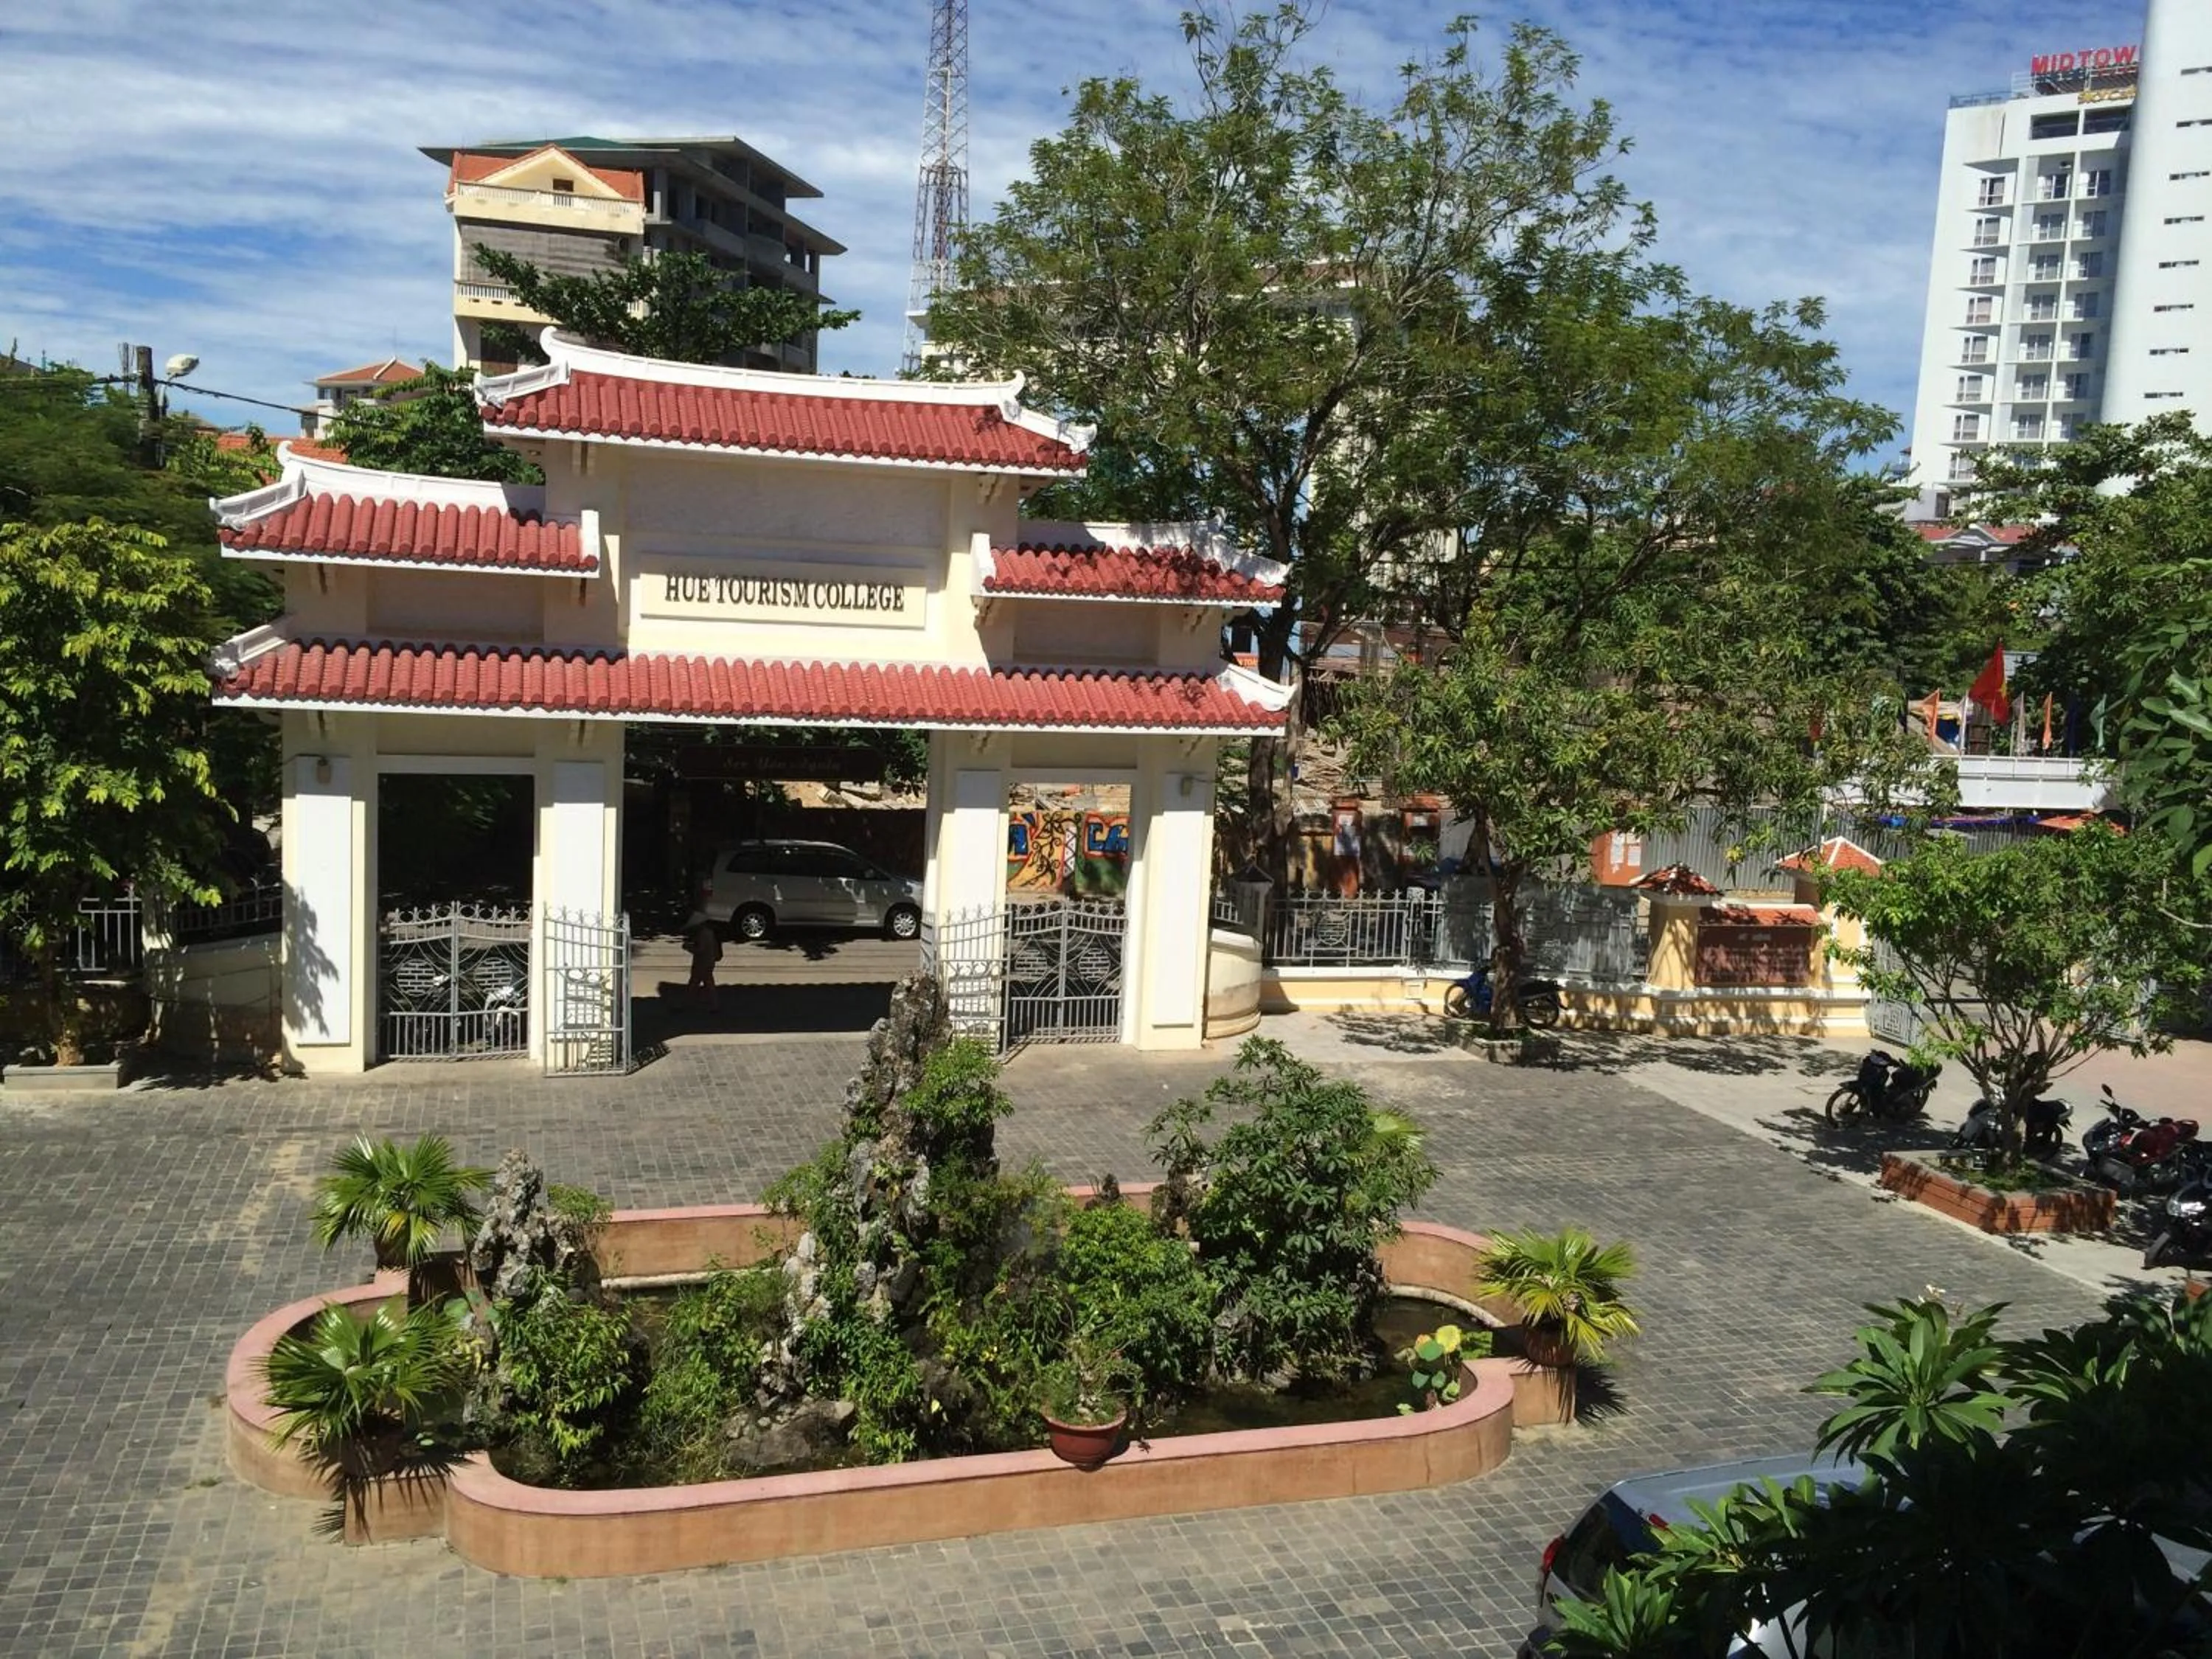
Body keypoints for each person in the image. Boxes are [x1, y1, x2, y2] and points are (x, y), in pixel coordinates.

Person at [684, 912, 723, 1009]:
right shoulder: (710, 933)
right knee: (706, 983)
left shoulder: (702, 934)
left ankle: (688, 1004)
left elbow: (700, 949)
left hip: (701, 963)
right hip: (710, 961)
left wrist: (688, 947)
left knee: (696, 983)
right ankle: (714, 1005)